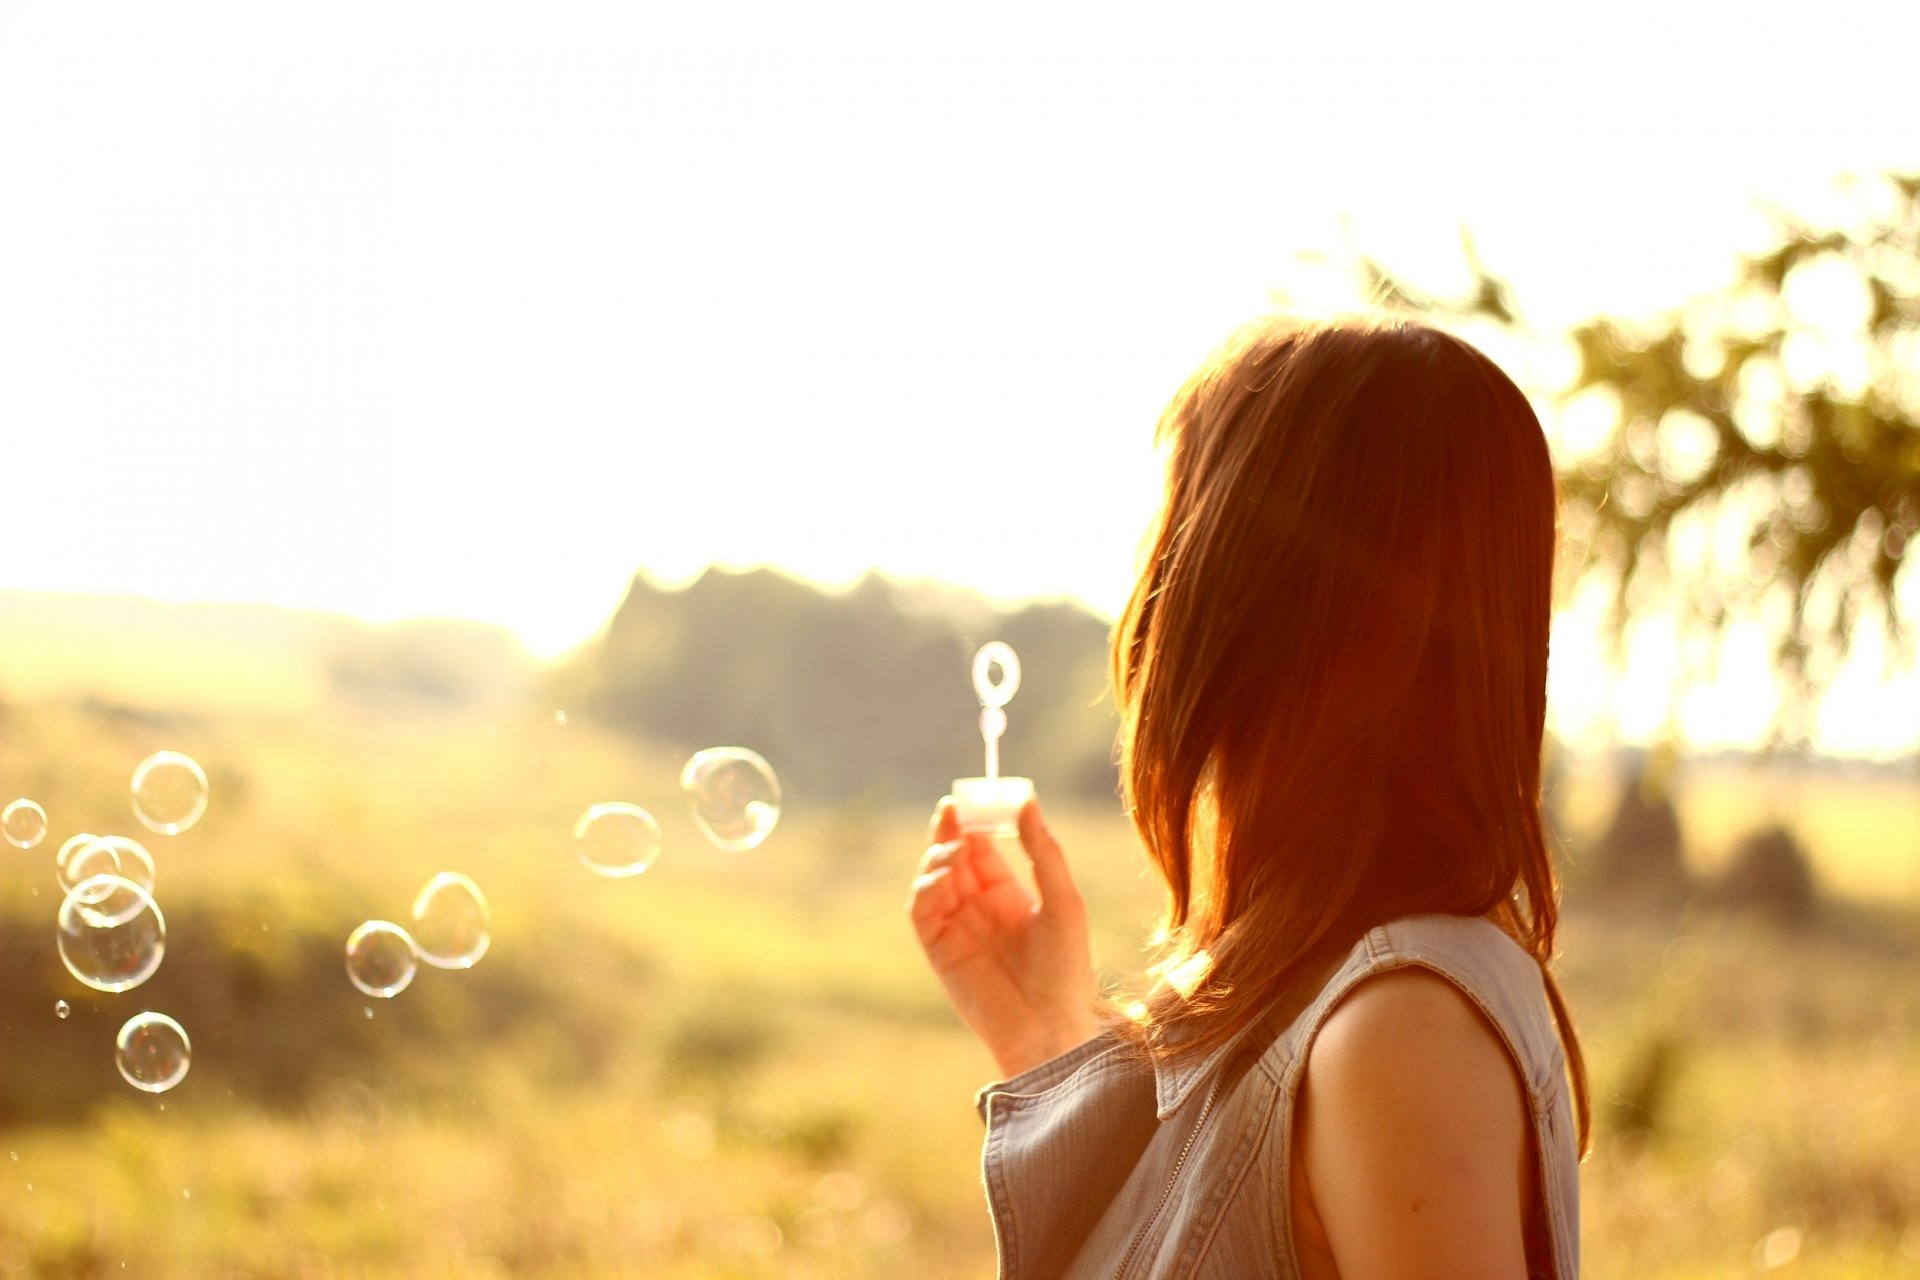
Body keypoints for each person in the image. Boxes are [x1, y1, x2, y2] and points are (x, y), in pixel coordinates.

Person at [908, 314, 1588, 1279]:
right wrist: (1051, 1031)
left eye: (1175, 531)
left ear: (1239, 598)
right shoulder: (1322, 990)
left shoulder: (1397, 1032)